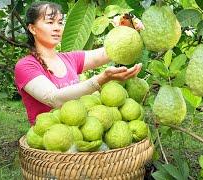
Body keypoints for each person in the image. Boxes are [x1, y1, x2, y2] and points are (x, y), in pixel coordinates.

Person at [14, 1, 142, 125]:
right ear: (32, 28)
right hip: (50, 141)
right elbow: (54, 99)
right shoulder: (26, 66)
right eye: (50, 22)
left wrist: (128, 30)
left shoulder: (69, 59)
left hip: (81, 136)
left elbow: (109, 52)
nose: (57, 28)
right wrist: (100, 79)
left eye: (60, 22)